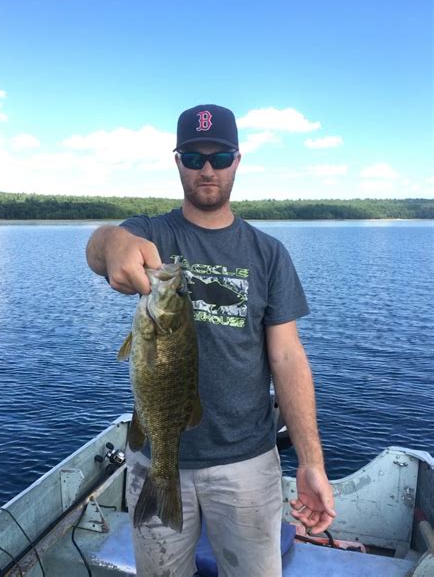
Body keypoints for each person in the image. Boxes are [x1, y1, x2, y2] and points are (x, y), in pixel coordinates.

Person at [86, 104, 336, 577]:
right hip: (156, 457)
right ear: (177, 161)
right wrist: (112, 243)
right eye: (194, 157)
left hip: (248, 463)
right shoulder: (153, 232)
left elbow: (287, 358)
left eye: (219, 158)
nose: (207, 169)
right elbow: (100, 248)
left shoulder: (268, 253)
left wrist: (311, 463)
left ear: (237, 161)